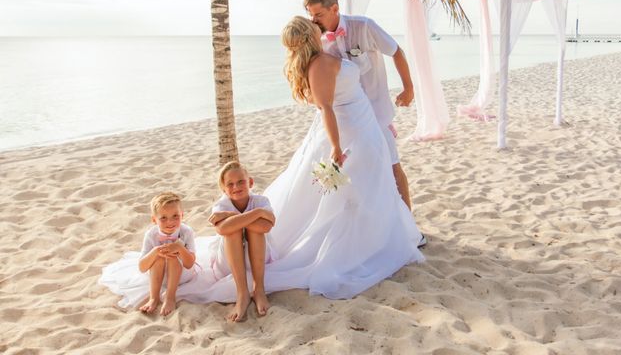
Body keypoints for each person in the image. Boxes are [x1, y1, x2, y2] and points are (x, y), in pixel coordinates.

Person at [255, 16, 423, 299]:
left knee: (371, 185)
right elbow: (326, 109)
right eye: (312, 26)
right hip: (351, 132)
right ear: (309, 36)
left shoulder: (322, 57)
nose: (315, 24)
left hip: (364, 123)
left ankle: (377, 239)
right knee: (353, 193)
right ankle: (361, 247)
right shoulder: (319, 65)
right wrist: (335, 147)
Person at [303, 0, 416, 211]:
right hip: (342, 120)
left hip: (376, 114)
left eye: (318, 15)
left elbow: (396, 51)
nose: (313, 21)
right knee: (348, 173)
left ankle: (408, 224)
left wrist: (408, 88)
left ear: (335, 8)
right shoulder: (316, 41)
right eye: (310, 15)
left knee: (392, 167)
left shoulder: (364, 26)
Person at [99, 192, 197, 315]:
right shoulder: (151, 235)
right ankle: (154, 298)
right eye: (163, 218)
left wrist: (180, 248)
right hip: (159, 276)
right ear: (154, 220)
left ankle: (170, 297)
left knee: (172, 257)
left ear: (182, 215)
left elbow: (189, 264)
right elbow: (142, 267)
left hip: (182, 275)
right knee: (159, 257)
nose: (170, 222)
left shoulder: (186, 232)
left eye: (175, 216)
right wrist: (156, 252)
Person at [207, 161, 276, 322]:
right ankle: (242, 293)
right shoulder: (221, 204)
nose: (236, 187)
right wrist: (256, 215)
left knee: (256, 230)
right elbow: (222, 230)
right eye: (229, 184)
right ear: (223, 189)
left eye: (241, 182)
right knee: (232, 231)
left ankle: (258, 289)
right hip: (230, 260)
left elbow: (266, 226)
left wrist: (231, 216)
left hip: (258, 257)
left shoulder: (260, 202)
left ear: (250, 182)